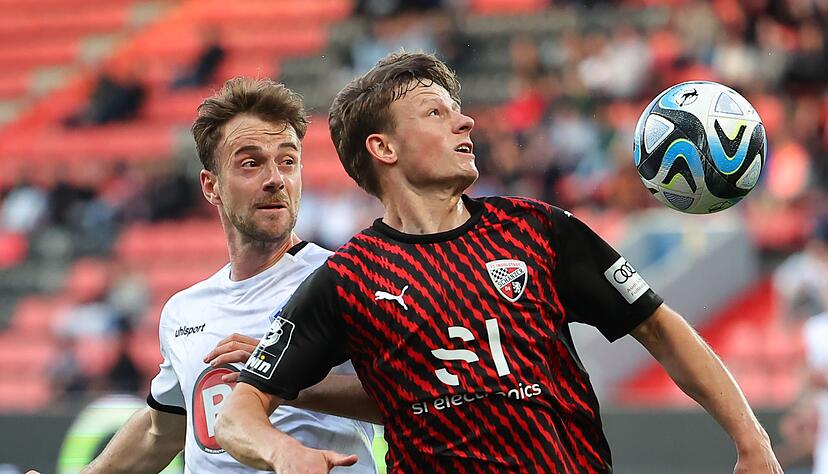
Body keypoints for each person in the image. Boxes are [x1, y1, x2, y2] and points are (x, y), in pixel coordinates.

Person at [215, 52, 782, 473]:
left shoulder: (540, 230)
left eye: (459, 112)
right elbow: (238, 414)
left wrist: (752, 440)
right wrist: (282, 451)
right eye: (435, 113)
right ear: (383, 148)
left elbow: (658, 327)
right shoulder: (348, 280)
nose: (465, 123)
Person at [29, 77, 379, 474]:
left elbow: (408, 398)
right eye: (251, 163)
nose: (275, 179)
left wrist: (278, 374)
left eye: (287, 161)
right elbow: (160, 431)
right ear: (211, 186)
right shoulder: (185, 311)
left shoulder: (341, 279)